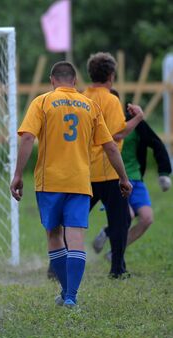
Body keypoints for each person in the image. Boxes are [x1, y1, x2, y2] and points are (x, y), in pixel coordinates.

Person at [10, 61, 131, 308]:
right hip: (79, 181)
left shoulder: (42, 102)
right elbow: (109, 145)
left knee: (55, 235)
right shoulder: (90, 105)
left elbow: (28, 138)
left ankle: (67, 292)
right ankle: (71, 296)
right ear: (75, 82)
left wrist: (18, 174)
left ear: (52, 80)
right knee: (74, 235)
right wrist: (123, 177)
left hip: (49, 181)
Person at [83, 52, 144, 279]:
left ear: (91, 74)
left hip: (84, 171)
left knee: (73, 220)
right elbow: (118, 134)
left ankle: (56, 264)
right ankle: (117, 269)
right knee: (120, 222)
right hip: (109, 172)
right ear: (111, 75)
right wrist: (138, 118)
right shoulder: (111, 100)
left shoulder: (82, 96)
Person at [92, 88, 172, 261]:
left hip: (136, 179)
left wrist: (164, 172)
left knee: (147, 219)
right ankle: (111, 238)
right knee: (126, 215)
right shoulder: (98, 124)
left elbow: (156, 144)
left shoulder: (134, 124)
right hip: (113, 180)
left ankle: (115, 251)